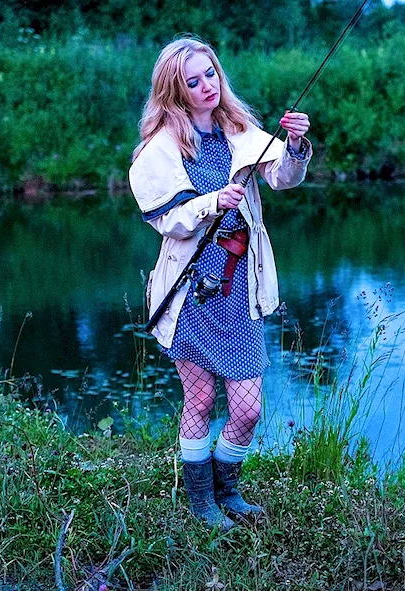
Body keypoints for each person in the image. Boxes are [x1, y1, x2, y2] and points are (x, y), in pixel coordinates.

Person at [129, 37, 312, 530]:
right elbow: (169, 221)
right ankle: (202, 502)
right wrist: (214, 201)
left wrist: (294, 146)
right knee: (201, 400)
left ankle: (227, 487)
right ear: (175, 90)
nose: (206, 86)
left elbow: (283, 179)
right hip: (192, 292)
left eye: (210, 74)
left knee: (249, 407)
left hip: (239, 289)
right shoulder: (161, 148)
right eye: (192, 81)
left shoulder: (239, 129)